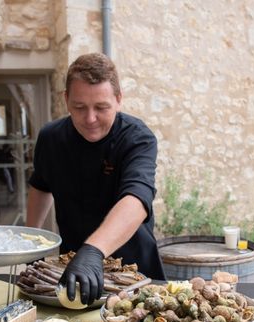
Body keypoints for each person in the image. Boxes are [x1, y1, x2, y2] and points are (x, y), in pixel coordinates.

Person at [26, 52, 165, 305]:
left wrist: (93, 251)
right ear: (66, 100)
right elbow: (41, 185)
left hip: (134, 272)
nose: (90, 119)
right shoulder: (51, 137)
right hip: (72, 268)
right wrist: (31, 243)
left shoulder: (137, 138)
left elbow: (137, 198)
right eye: (79, 107)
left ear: (119, 100)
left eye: (101, 107)